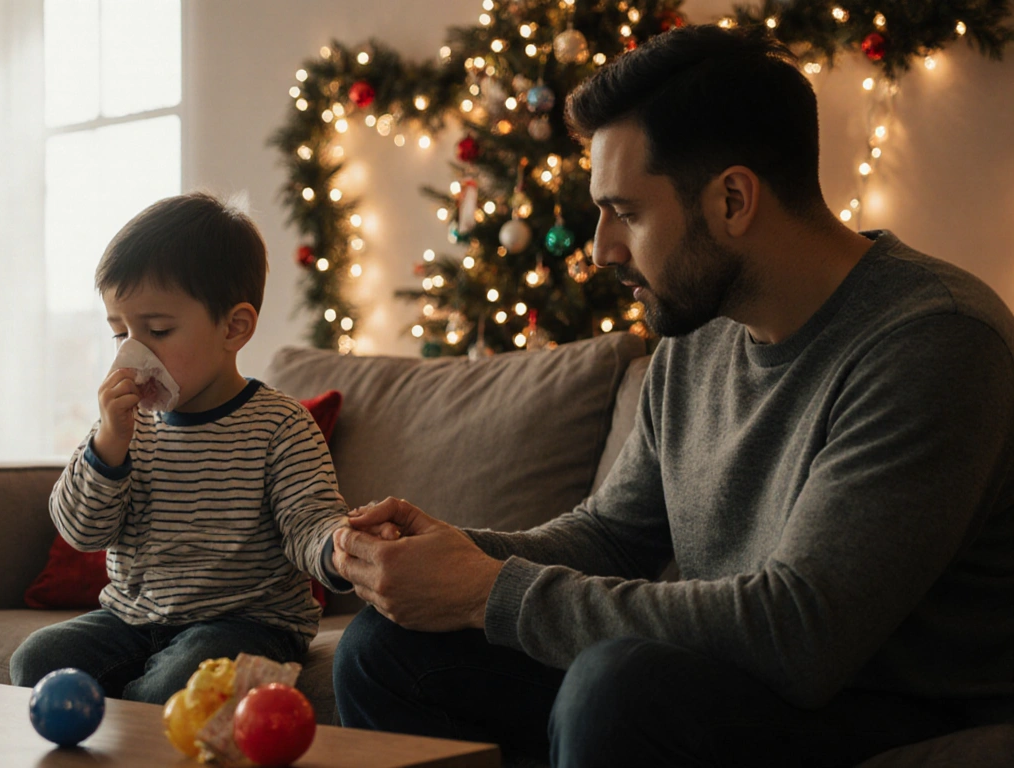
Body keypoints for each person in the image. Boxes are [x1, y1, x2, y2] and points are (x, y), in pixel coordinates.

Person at [330, 24, 1014, 768]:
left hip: (887, 704)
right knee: (384, 649)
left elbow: (801, 630)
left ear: (732, 200)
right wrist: (450, 555)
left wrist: (485, 591)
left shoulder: (934, 338)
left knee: (620, 688)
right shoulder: (696, 339)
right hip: (738, 686)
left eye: (625, 212)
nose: (601, 250)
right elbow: (612, 538)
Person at [11, 193, 352, 704]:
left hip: (245, 625)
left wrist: (338, 548)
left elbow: (310, 522)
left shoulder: (280, 424)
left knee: (177, 686)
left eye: (158, 330)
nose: (133, 353)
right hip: (131, 619)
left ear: (233, 328)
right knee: (36, 660)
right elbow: (81, 531)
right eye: (120, 333)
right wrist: (108, 446)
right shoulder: (125, 427)